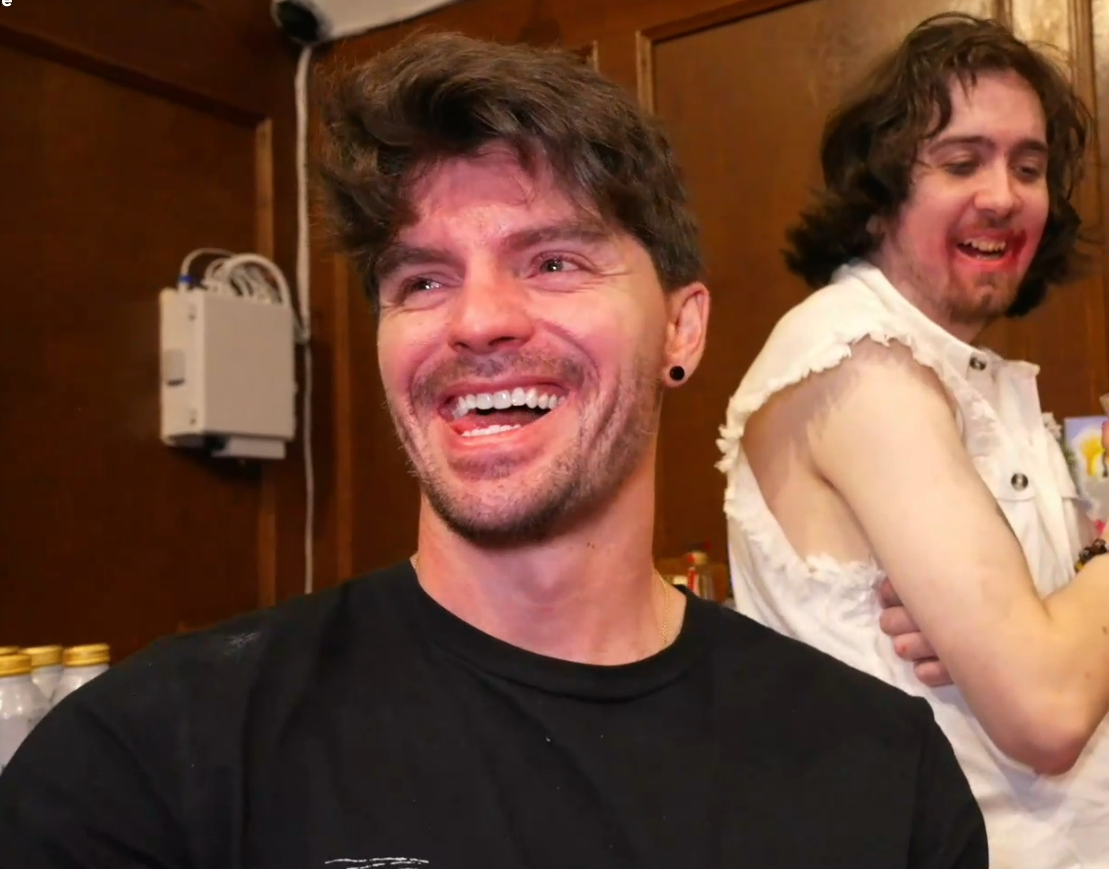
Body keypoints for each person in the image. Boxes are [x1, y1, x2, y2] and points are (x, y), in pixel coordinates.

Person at [0, 32, 985, 868]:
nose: (476, 321)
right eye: (422, 281)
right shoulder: (152, 758)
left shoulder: (878, 771)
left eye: (552, 261)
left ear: (681, 328)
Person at [719, 12, 1109, 868]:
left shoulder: (961, 371)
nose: (1002, 195)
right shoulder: (855, 358)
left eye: (1028, 167)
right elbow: (1046, 705)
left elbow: (1063, 655)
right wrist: (1055, 619)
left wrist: (1053, 610)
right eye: (960, 162)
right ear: (878, 195)